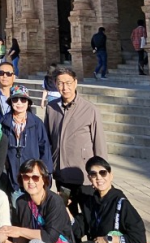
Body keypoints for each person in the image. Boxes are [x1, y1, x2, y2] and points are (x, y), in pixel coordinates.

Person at [45, 68, 107, 215]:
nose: (65, 87)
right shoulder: (51, 108)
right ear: (55, 84)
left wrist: (102, 172)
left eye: (68, 83)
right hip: (62, 175)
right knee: (68, 214)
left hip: (84, 176)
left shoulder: (89, 109)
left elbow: (99, 143)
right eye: (60, 83)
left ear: (76, 83)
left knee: (89, 214)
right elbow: (47, 140)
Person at [0, 85, 52, 198]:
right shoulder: (3, 122)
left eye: (23, 100)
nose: (19, 103)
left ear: (28, 102)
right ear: (10, 102)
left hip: (33, 177)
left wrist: (47, 174)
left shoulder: (36, 123)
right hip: (13, 177)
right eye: (15, 99)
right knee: (17, 210)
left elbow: (45, 149)